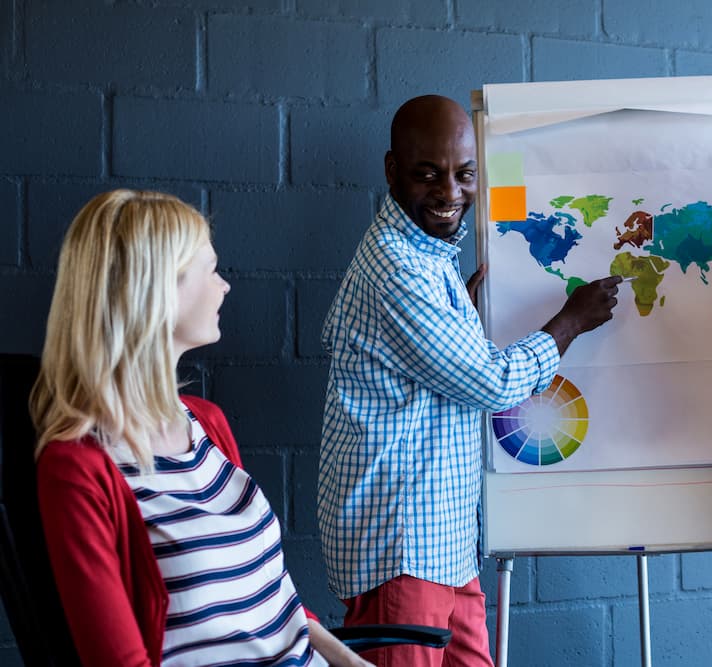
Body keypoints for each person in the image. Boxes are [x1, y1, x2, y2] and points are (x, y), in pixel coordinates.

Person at [318, 95, 621, 666]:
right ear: (392, 171)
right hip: (403, 547)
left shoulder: (429, 255)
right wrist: (570, 322)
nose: (450, 192)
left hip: (444, 543)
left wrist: (460, 319)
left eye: (464, 174)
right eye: (427, 174)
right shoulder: (398, 267)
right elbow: (491, 383)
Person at [30, 189, 372, 667]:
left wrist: (352, 662)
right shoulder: (77, 469)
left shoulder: (207, 424)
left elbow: (272, 597)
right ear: (158, 290)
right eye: (210, 270)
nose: (224, 286)